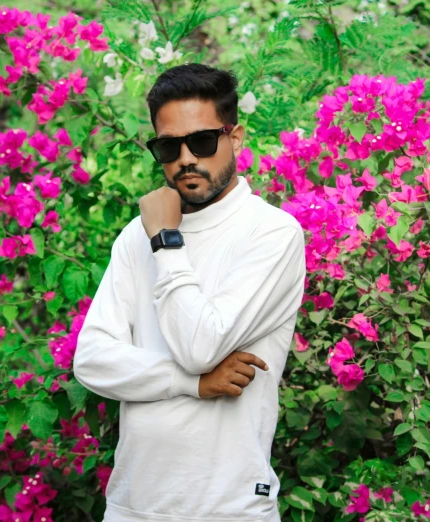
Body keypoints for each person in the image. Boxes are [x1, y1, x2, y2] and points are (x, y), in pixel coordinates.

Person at [73, 63, 307, 522]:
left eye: (201, 141)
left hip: (229, 508)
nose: (184, 159)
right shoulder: (134, 236)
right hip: (132, 506)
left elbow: (201, 345)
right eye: (168, 146)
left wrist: (166, 239)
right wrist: (192, 383)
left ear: (235, 136)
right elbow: (92, 360)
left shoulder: (273, 234)